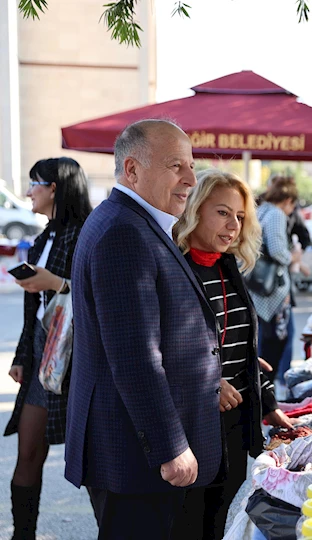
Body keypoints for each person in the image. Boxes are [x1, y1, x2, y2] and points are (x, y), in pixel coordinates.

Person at [65, 119, 223, 539]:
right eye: (176, 166)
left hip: (137, 453)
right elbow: (135, 357)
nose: (191, 179)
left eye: (191, 166)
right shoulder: (123, 231)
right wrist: (171, 445)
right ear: (132, 170)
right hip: (137, 457)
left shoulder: (134, 221)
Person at [172, 169, 291, 539]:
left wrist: (268, 402)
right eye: (223, 213)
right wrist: (211, 380)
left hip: (235, 425)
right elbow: (159, 348)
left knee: (220, 518)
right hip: (194, 424)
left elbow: (241, 347)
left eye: (240, 216)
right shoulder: (176, 268)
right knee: (191, 523)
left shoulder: (227, 265)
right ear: (194, 209)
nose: (233, 226)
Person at [5, 157, 92, 539]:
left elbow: (97, 295)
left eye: (34, 183)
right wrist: (23, 358)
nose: (28, 192)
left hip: (79, 358)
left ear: (54, 187)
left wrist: (55, 282)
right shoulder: (43, 237)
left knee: (93, 462)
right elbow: (30, 311)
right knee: (27, 454)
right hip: (44, 353)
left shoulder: (87, 233)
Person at [251, 177, 302, 378]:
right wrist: (294, 256)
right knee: (276, 341)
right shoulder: (276, 215)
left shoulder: (260, 210)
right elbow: (277, 251)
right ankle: (268, 389)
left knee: (264, 340)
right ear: (288, 200)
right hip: (272, 291)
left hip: (258, 284)